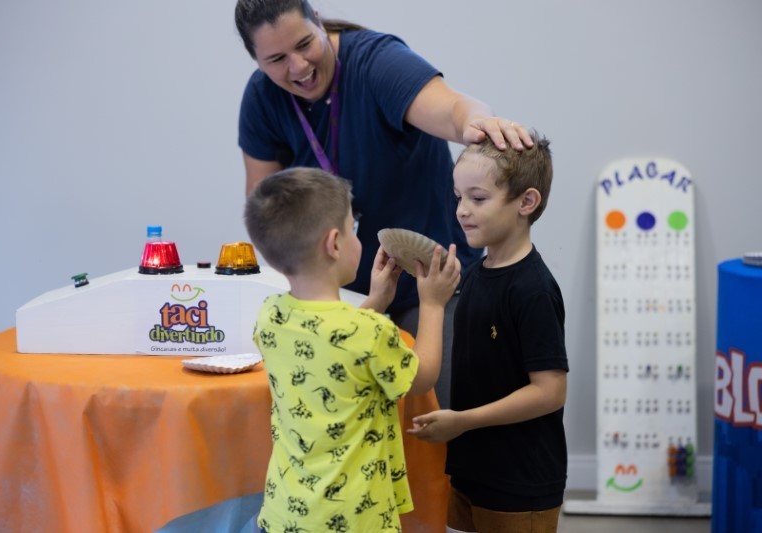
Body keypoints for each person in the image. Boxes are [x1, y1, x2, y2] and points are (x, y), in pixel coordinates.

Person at [235, 0, 533, 409]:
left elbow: (453, 109)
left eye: (304, 44)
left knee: (442, 412)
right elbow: (265, 211)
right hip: (338, 297)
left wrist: (475, 123)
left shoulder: (377, 62)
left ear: (318, 20)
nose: (299, 66)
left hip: (431, 281)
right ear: (256, 60)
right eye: (276, 59)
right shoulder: (262, 98)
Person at [244, 167, 460, 532]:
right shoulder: (371, 332)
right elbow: (422, 378)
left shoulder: (271, 315)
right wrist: (434, 304)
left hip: (288, 513)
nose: (356, 237)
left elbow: (330, 342)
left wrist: (376, 300)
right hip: (356, 518)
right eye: (352, 227)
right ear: (334, 243)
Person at [408, 132, 568, 533]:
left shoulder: (533, 289)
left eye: (477, 199)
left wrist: (463, 420)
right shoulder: (475, 274)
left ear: (526, 202)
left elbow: (550, 391)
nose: (462, 210)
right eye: (458, 197)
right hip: (471, 471)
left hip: (519, 483)